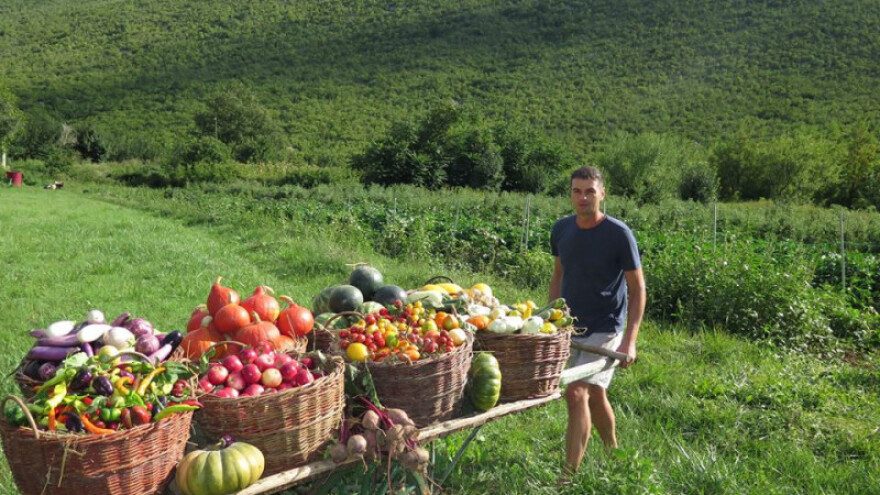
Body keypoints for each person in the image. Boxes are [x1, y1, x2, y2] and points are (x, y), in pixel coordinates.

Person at [549, 165, 646, 476]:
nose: (583, 197)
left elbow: (637, 287)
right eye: (577, 191)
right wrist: (551, 317)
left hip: (605, 328)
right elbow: (559, 274)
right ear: (570, 194)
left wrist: (630, 340)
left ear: (602, 194)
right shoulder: (561, 229)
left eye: (590, 191)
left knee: (576, 392)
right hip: (569, 327)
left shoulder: (618, 234)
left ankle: (567, 477)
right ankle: (613, 451)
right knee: (596, 394)